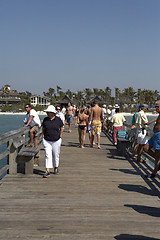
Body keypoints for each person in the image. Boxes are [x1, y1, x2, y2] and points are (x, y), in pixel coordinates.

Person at [42, 105, 63, 178]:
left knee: (56, 154)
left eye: (48, 112)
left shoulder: (58, 120)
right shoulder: (45, 120)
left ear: (52, 113)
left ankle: (56, 167)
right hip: (47, 140)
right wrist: (43, 136)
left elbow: (61, 127)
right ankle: (47, 170)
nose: (47, 113)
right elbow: (43, 128)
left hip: (56, 140)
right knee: (47, 155)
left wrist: (60, 136)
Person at [144, 101, 160, 178]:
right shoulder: (158, 115)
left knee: (157, 156)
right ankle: (158, 164)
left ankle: (154, 172)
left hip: (159, 136)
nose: (156, 108)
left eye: (158, 106)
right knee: (146, 148)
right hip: (154, 135)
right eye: (155, 106)